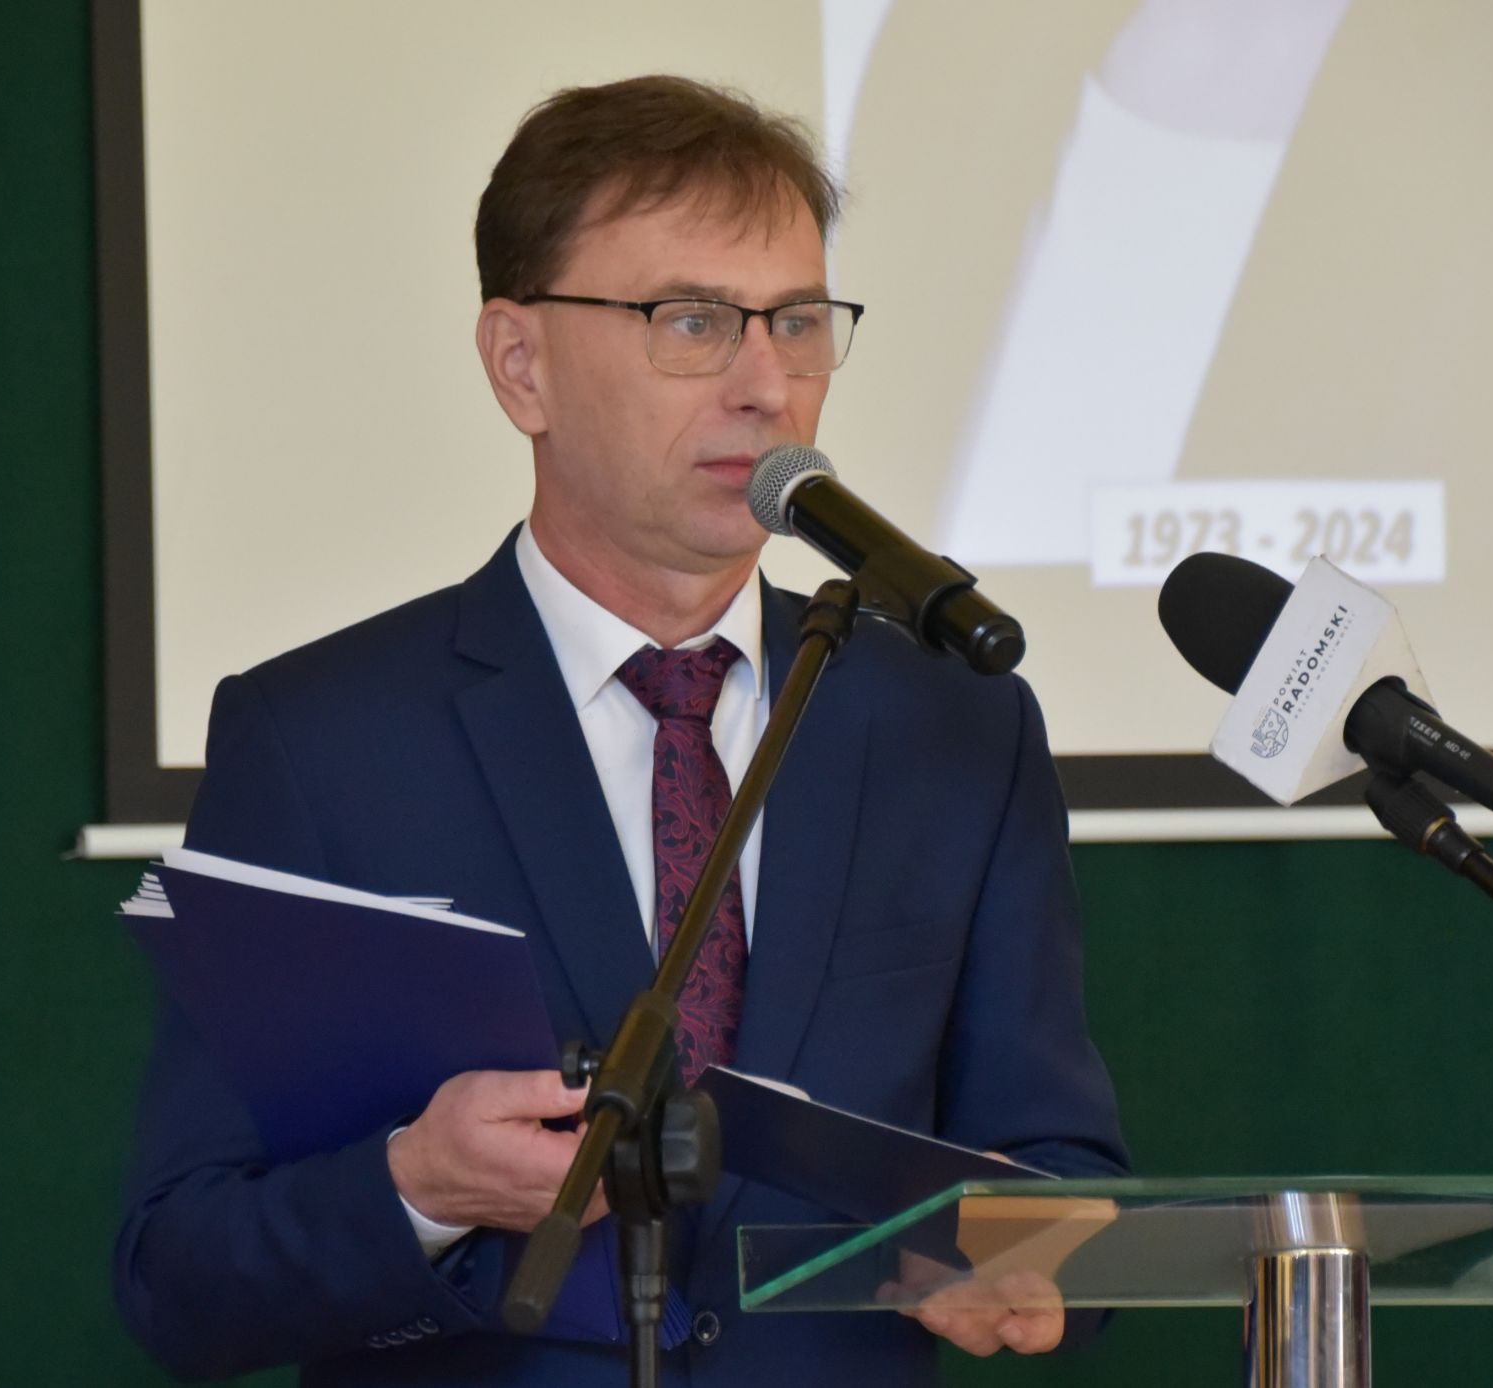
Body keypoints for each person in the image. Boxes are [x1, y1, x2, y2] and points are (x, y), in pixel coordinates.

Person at [113, 75, 1126, 1386]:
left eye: (798, 322)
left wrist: (1028, 1252)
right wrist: (419, 1189)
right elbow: (181, 1276)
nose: (767, 386)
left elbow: (1061, 1180)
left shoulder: (952, 729)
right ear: (519, 364)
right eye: (691, 322)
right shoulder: (322, 743)